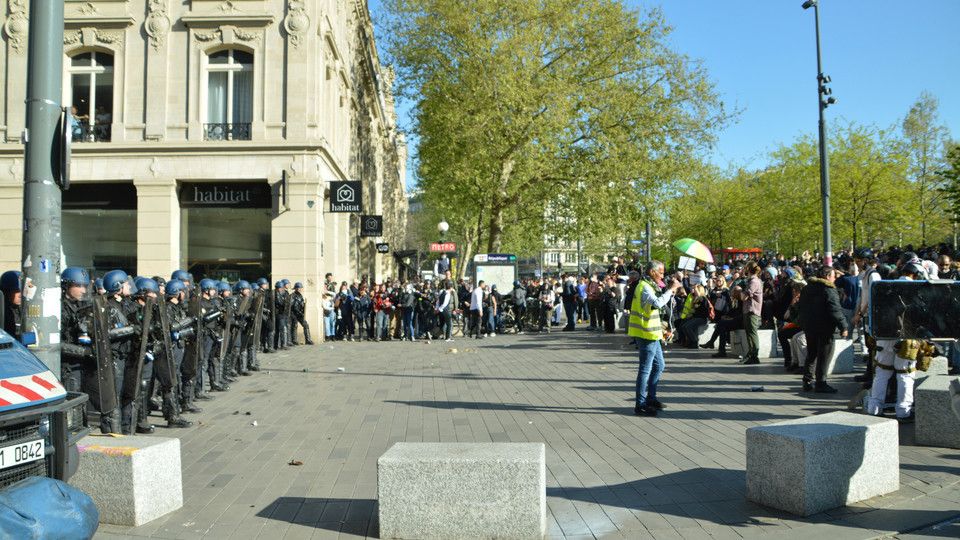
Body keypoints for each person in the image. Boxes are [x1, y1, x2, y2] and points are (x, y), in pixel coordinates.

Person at [866, 262, 928, 422]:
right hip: (906, 338)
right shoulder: (915, 290)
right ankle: (903, 411)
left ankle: (875, 408)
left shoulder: (885, 286)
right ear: (916, 275)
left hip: (883, 337)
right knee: (905, 375)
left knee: (881, 373)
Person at [628, 260, 681, 417]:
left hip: (653, 333)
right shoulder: (644, 286)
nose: (663, 275)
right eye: (661, 272)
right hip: (646, 333)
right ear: (652, 272)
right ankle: (640, 404)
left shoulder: (650, 285)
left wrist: (670, 289)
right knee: (645, 369)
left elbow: (660, 301)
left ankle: (651, 398)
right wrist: (670, 290)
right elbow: (657, 303)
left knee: (659, 366)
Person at [797, 266, 848, 393]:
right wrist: (844, 326)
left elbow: (801, 307)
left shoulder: (807, 288)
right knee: (824, 355)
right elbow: (835, 310)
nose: (835, 278)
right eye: (833, 276)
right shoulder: (829, 290)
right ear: (826, 276)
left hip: (809, 326)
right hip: (825, 327)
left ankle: (807, 380)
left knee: (811, 353)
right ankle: (821, 382)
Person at [738, 262, 763, 365]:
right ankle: (751, 354)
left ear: (748, 269)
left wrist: (738, 291)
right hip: (748, 310)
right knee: (749, 334)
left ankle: (754, 355)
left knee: (752, 334)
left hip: (752, 311)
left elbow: (744, 297)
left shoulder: (754, 282)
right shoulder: (751, 281)